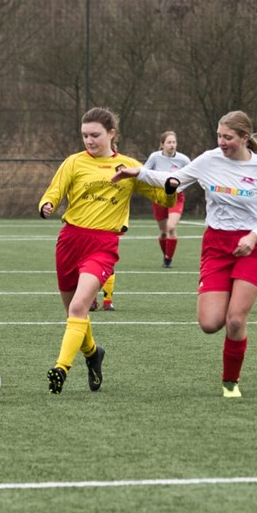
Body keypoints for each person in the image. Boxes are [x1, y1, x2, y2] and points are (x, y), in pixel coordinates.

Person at [113, 111, 257, 398]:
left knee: (235, 320)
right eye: (219, 136)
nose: (222, 142)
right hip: (216, 247)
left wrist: (254, 236)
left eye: (228, 137)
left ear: (244, 138)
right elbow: (173, 180)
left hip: (253, 248)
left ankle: (230, 382)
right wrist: (138, 173)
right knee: (209, 323)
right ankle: (228, 308)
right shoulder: (208, 160)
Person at [38, 107, 178, 394]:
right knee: (73, 314)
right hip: (69, 242)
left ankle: (61, 368)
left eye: (95, 135)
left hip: (102, 245)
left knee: (79, 307)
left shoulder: (129, 166)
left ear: (111, 134)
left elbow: (161, 197)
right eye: (85, 136)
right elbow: (55, 189)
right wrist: (47, 204)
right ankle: (93, 354)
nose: (89, 141)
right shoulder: (74, 162)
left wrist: (170, 188)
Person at [144, 131, 191, 268]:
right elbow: (144, 173)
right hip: (159, 197)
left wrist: (179, 186)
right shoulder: (154, 157)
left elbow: (193, 175)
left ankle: (168, 260)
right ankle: (166, 256)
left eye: (174, 142)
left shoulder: (183, 160)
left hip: (176, 196)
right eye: (169, 142)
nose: (172, 145)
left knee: (171, 227)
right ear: (162, 144)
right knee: (163, 232)